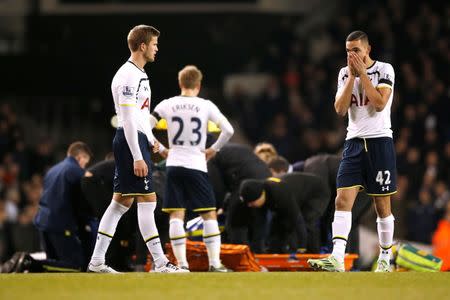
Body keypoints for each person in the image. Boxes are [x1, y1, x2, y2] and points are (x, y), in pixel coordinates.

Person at [88, 25, 185, 273]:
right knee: (148, 201)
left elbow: (140, 118)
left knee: (120, 203)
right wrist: (138, 155)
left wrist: (154, 143)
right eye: (154, 44)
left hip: (135, 140)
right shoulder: (128, 76)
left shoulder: (138, 74)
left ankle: (97, 261)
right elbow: (129, 119)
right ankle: (161, 262)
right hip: (130, 142)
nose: (156, 48)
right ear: (143, 46)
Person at [308, 30, 397, 272]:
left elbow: (379, 104)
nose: (351, 55)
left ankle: (385, 259)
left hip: (379, 142)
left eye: (356, 50)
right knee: (342, 200)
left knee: (382, 206)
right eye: (348, 51)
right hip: (353, 143)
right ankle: (337, 258)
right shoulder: (344, 73)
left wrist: (363, 76)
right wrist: (351, 78)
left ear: (368, 49)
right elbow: (339, 108)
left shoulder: (385, 69)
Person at [150, 65, 234, 271]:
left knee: (176, 214)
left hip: (174, 164)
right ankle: (215, 263)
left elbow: (144, 126)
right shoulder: (205, 105)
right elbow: (228, 130)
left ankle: (182, 265)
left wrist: (160, 148)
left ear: (180, 83)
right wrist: (213, 149)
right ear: (198, 85)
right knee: (208, 214)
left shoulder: (168, 104)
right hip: (197, 164)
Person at [34, 141, 93, 272]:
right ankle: (28, 262)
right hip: (60, 224)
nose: (84, 166)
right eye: (85, 162)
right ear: (80, 157)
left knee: (54, 265)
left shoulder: (52, 170)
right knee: (75, 265)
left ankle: (29, 263)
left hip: (43, 221)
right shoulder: (76, 171)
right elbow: (84, 199)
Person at [239, 172, 330, 253]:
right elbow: (259, 226)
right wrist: (257, 251)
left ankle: (312, 255)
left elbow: (298, 221)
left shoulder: (279, 193)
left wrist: (301, 248)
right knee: (278, 224)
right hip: (296, 193)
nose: (249, 205)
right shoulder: (259, 194)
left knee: (308, 221)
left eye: (251, 202)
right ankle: (276, 252)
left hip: (316, 192)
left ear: (261, 195)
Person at [207, 143, 272, 253]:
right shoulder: (234, 148)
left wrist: (218, 207)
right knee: (258, 221)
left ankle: (241, 258)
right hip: (266, 178)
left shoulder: (213, 158)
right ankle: (259, 256)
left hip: (246, 184)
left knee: (235, 223)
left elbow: (217, 188)